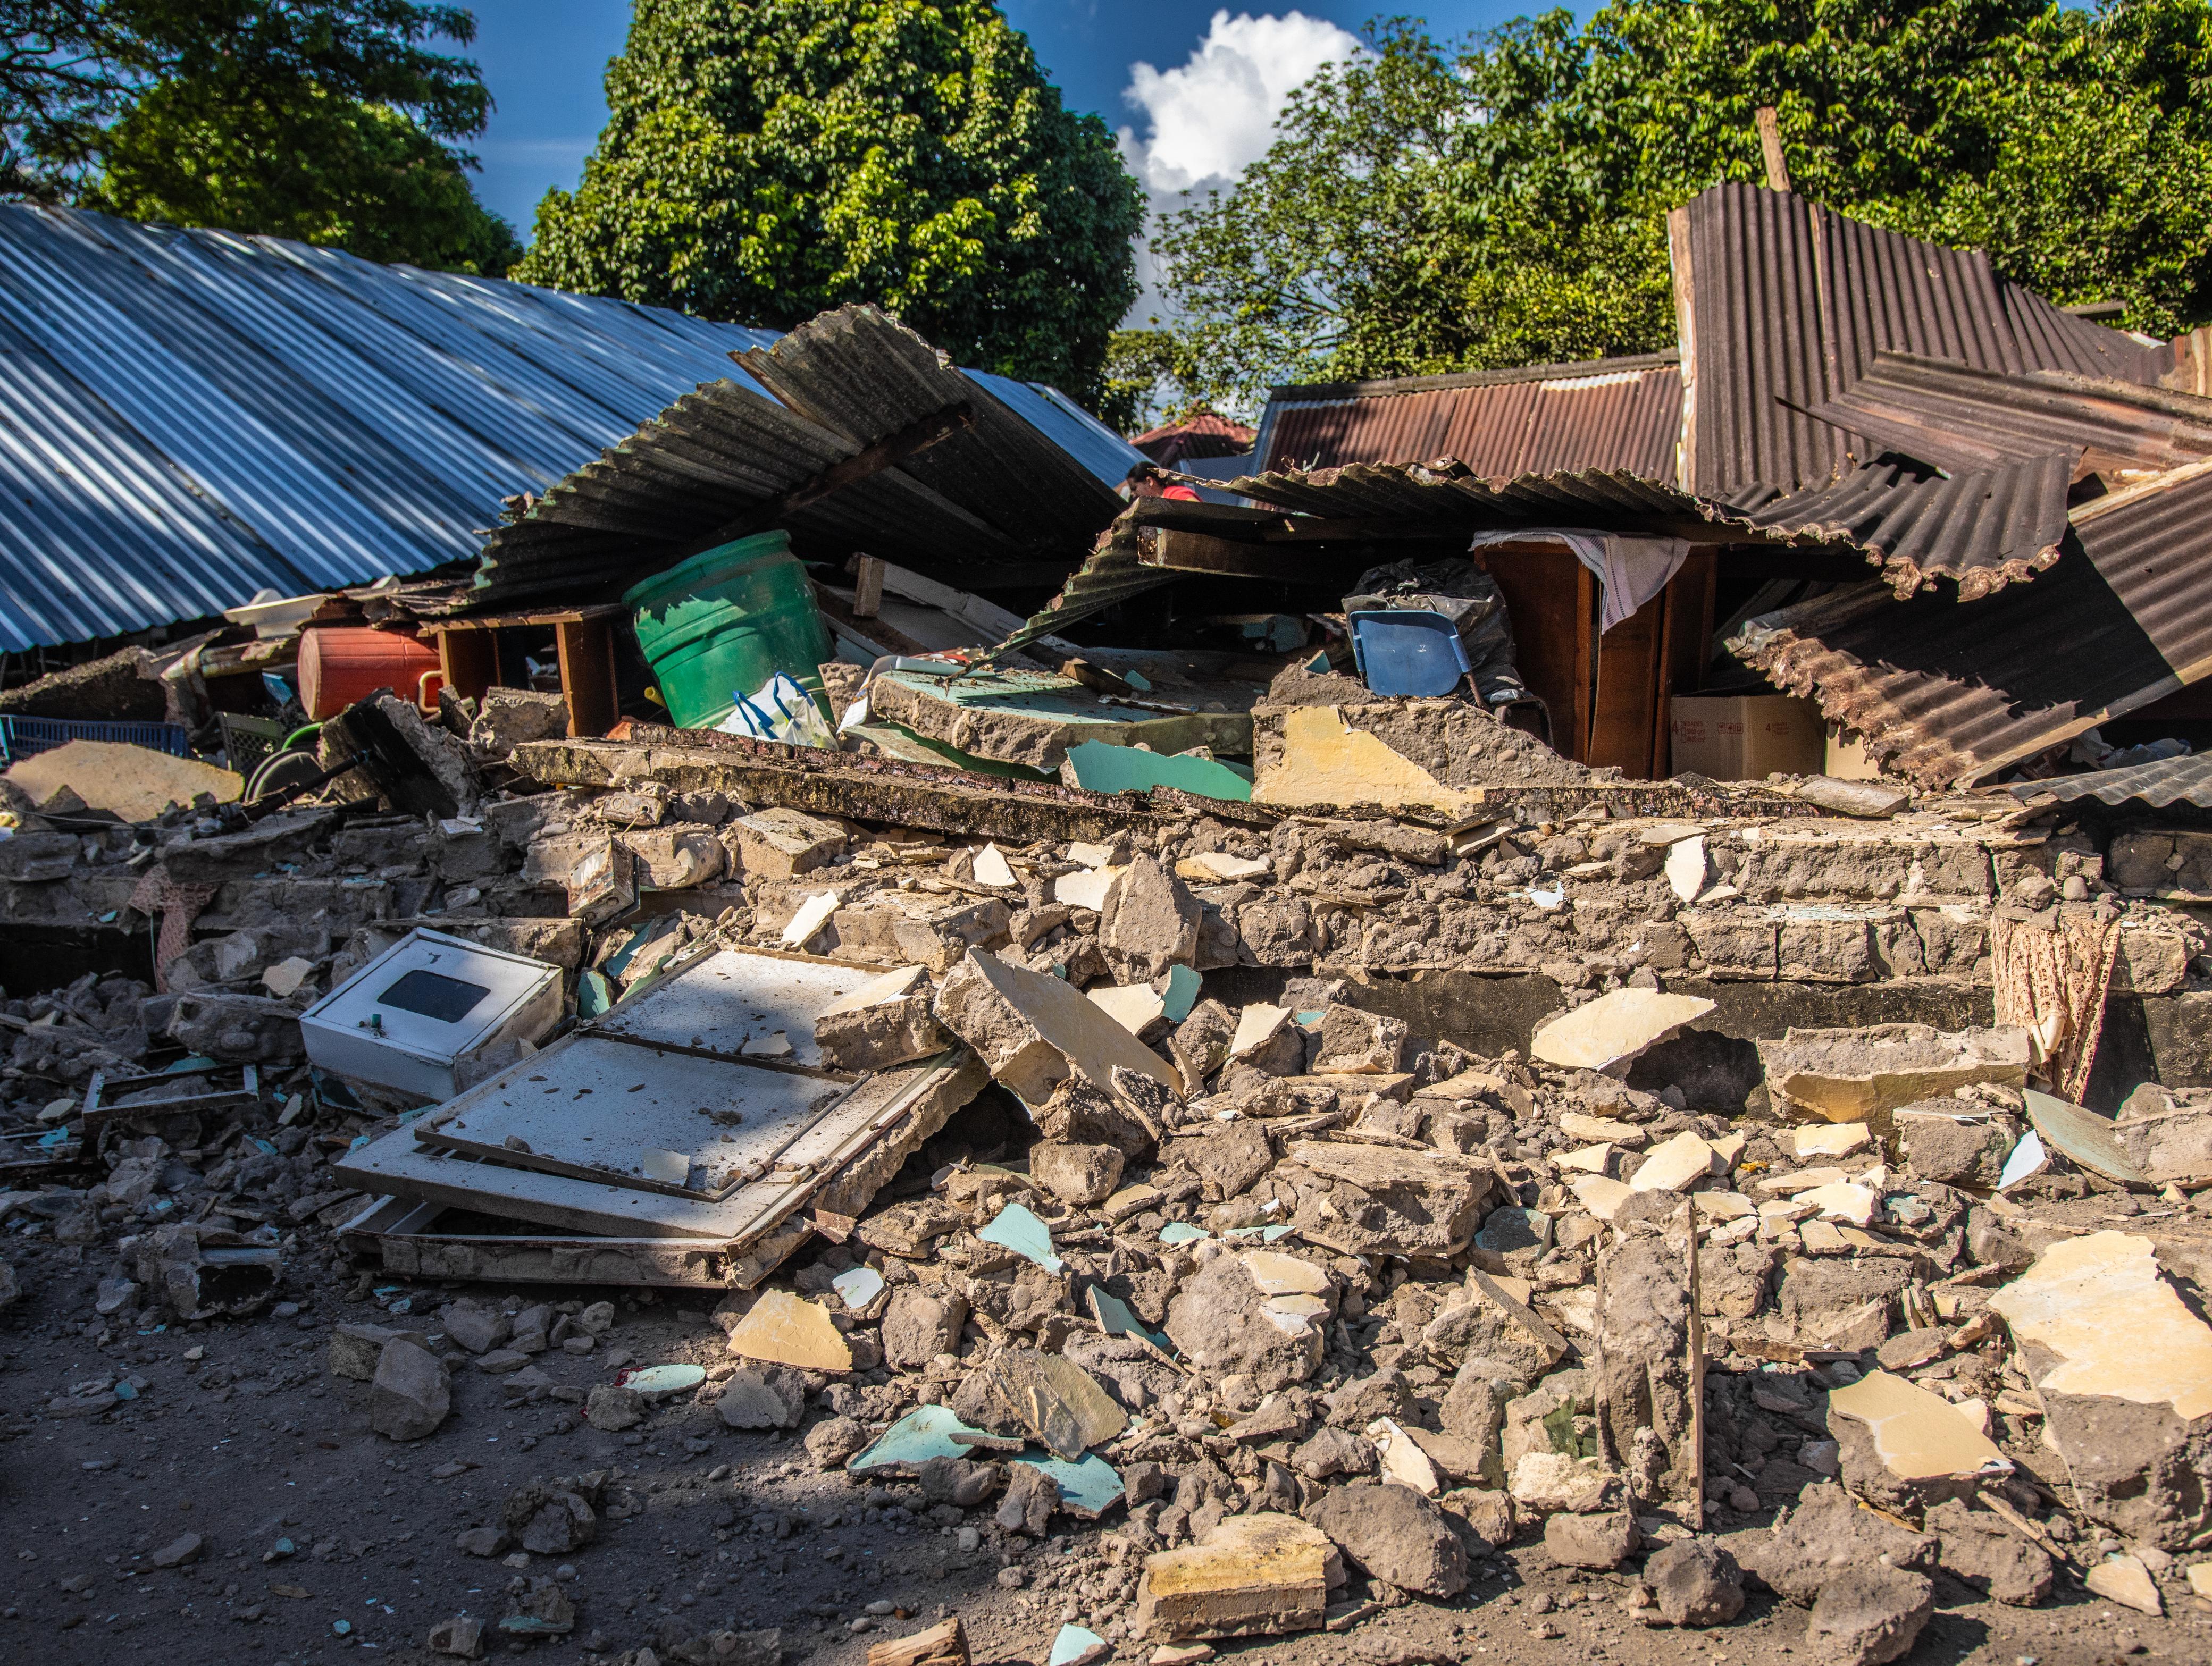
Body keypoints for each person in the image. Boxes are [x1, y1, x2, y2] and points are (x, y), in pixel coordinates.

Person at [1124, 461, 1202, 502]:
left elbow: (1203, 515)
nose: (1132, 494)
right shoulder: (1158, 504)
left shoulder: (1177, 495)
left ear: (1149, 482)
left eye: (1134, 488)